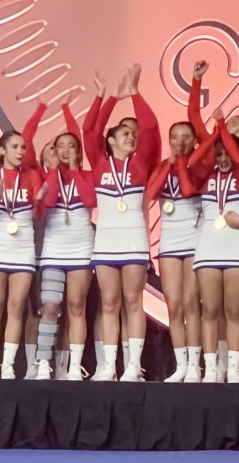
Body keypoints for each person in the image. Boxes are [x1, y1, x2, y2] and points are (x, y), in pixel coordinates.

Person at [179, 115, 239, 383]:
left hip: (238, 246)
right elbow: (195, 160)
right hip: (208, 245)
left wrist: (222, 126)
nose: (222, 158)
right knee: (210, 310)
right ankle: (211, 368)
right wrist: (214, 139)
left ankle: (233, 367)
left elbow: (238, 156)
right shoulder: (204, 174)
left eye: (226, 152)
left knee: (233, 310)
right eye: (217, 154)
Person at [84, 65, 158, 381]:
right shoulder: (99, 162)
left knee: (132, 301)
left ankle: (132, 366)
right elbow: (89, 130)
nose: (132, 136)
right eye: (125, 133)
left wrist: (136, 93)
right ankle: (107, 366)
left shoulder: (141, 163)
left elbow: (152, 128)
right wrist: (109, 96)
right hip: (107, 240)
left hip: (134, 240)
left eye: (133, 134)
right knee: (110, 302)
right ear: (111, 139)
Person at [36, 106, 98, 380]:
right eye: (60, 146)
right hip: (54, 248)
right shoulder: (47, 176)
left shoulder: (87, 175)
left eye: (71, 146)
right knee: (50, 306)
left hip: (82, 247)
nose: (66, 150)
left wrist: (73, 168)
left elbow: (89, 200)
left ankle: (72, 365)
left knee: (76, 306)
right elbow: (48, 202)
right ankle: (43, 363)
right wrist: (52, 170)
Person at [0, 130, 46, 379]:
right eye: (15, 147)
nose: (20, 152)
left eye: (23, 148)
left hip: (23, 246)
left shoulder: (30, 175)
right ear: (3, 150)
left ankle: (7, 364)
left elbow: (38, 215)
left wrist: (40, 200)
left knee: (17, 307)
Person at [145, 121, 202, 383]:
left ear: (194, 141)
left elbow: (190, 189)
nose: (180, 142)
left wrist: (180, 163)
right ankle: (181, 364)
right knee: (174, 305)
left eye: (185, 137)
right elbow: (151, 194)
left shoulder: (200, 166)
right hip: (169, 242)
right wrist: (168, 163)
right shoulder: (162, 167)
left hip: (194, 240)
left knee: (192, 304)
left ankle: (194, 364)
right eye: (175, 137)